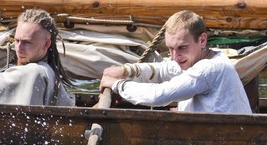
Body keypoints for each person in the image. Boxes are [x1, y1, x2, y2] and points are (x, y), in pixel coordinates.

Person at [100, 10, 252, 114]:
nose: (175, 56)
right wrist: (126, 71)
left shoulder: (209, 69)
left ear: (202, 40)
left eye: (182, 47)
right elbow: (163, 70)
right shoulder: (201, 57)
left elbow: (158, 96)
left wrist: (116, 84)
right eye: (170, 48)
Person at [0, 9, 75, 106]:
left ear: (46, 44)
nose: (19, 48)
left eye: (27, 42)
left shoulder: (34, 72)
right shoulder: (47, 71)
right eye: (17, 40)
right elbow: (1, 77)